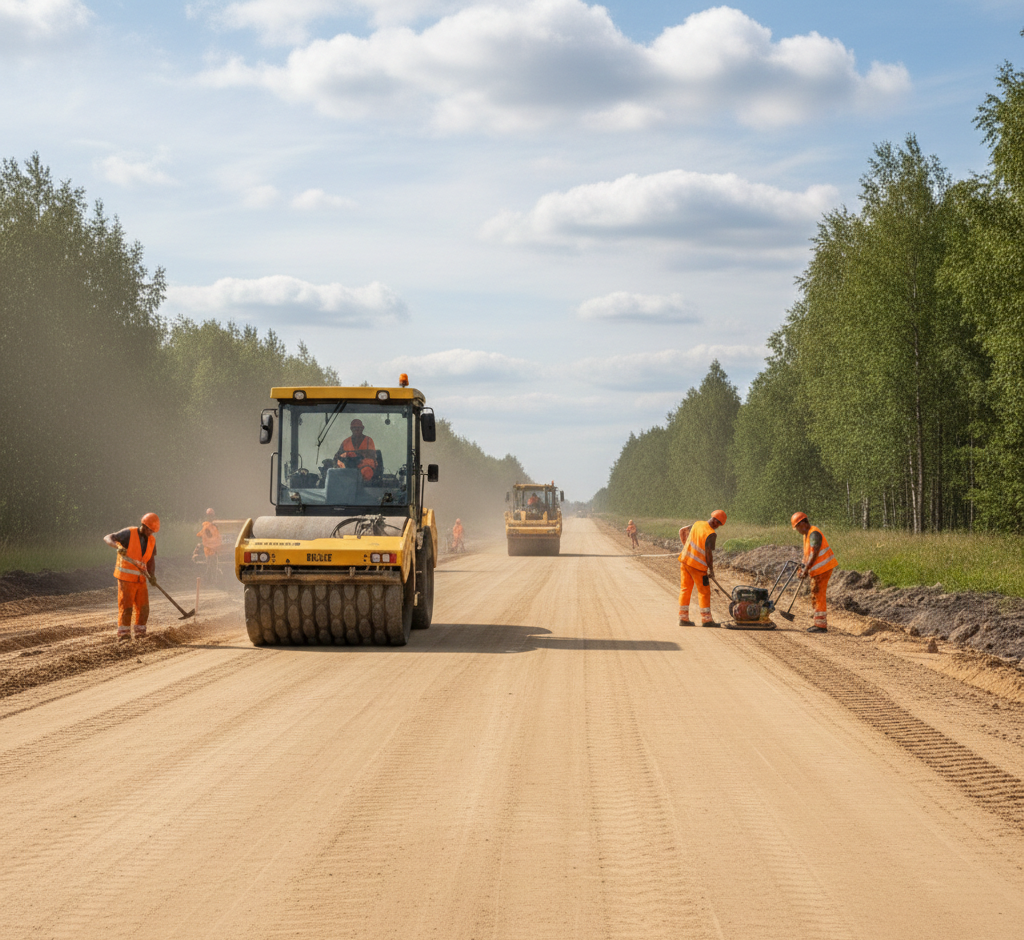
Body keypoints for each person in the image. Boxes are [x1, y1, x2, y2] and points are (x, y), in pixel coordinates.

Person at [103, 513, 159, 641]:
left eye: (153, 531)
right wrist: (117, 546)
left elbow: (150, 560)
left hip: (141, 578)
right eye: (150, 530)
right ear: (144, 526)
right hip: (126, 578)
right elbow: (108, 537)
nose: (151, 533)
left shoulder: (151, 540)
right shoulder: (129, 533)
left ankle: (140, 634)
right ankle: (124, 635)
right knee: (126, 607)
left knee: (144, 608)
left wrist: (152, 576)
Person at [678, 510, 727, 627]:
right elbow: (708, 554)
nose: (717, 525)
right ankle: (706, 620)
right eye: (718, 522)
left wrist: (685, 546)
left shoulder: (697, 523)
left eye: (720, 524)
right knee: (704, 592)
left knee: (685, 589)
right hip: (698, 567)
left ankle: (683, 618)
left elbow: (682, 530)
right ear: (714, 519)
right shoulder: (711, 534)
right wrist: (711, 569)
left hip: (685, 561)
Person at [791, 512, 838, 633]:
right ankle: (818, 623)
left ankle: (821, 626)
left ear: (803, 523)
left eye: (797, 527)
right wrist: (802, 567)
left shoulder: (814, 533)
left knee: (819, 594)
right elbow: (807, 555)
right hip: (817, 569)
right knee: (816, 593)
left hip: (823, 568)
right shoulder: (807, 535)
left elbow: (814, 553)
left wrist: (806, 569)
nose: (797, 530)